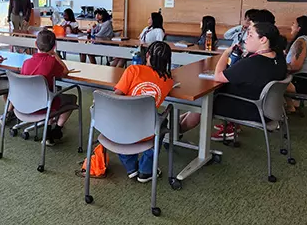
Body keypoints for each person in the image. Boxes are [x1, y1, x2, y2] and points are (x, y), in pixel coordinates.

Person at [179, 22, 287, 141]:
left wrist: (225, 53)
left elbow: (218, 76)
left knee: (205, 101)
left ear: (263, 40)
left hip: (249, 107)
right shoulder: (278, 58)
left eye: (250, 35)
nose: (246, 39)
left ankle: (175, 131)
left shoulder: (253, 63)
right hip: (264, 107)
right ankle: (175, 127)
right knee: (203, 101)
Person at [114, 41, 175, 182]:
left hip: (121, 130)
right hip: (147, 131)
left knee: (114, 121)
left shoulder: (133, 70)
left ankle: (131, 167)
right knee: (162, 121)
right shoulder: (168, 80)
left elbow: (117, 94)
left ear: (147, 55)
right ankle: (146, 170)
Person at [21, 29, 77, 146]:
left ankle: (49, 127)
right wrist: (55, 55)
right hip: (45, 104)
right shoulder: (52, 62)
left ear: (36, 44)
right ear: (55, 45)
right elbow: (65, 72)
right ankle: (57, 129)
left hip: (25, 103)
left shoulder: (26, 63)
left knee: (53, 96)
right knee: (72, 98)